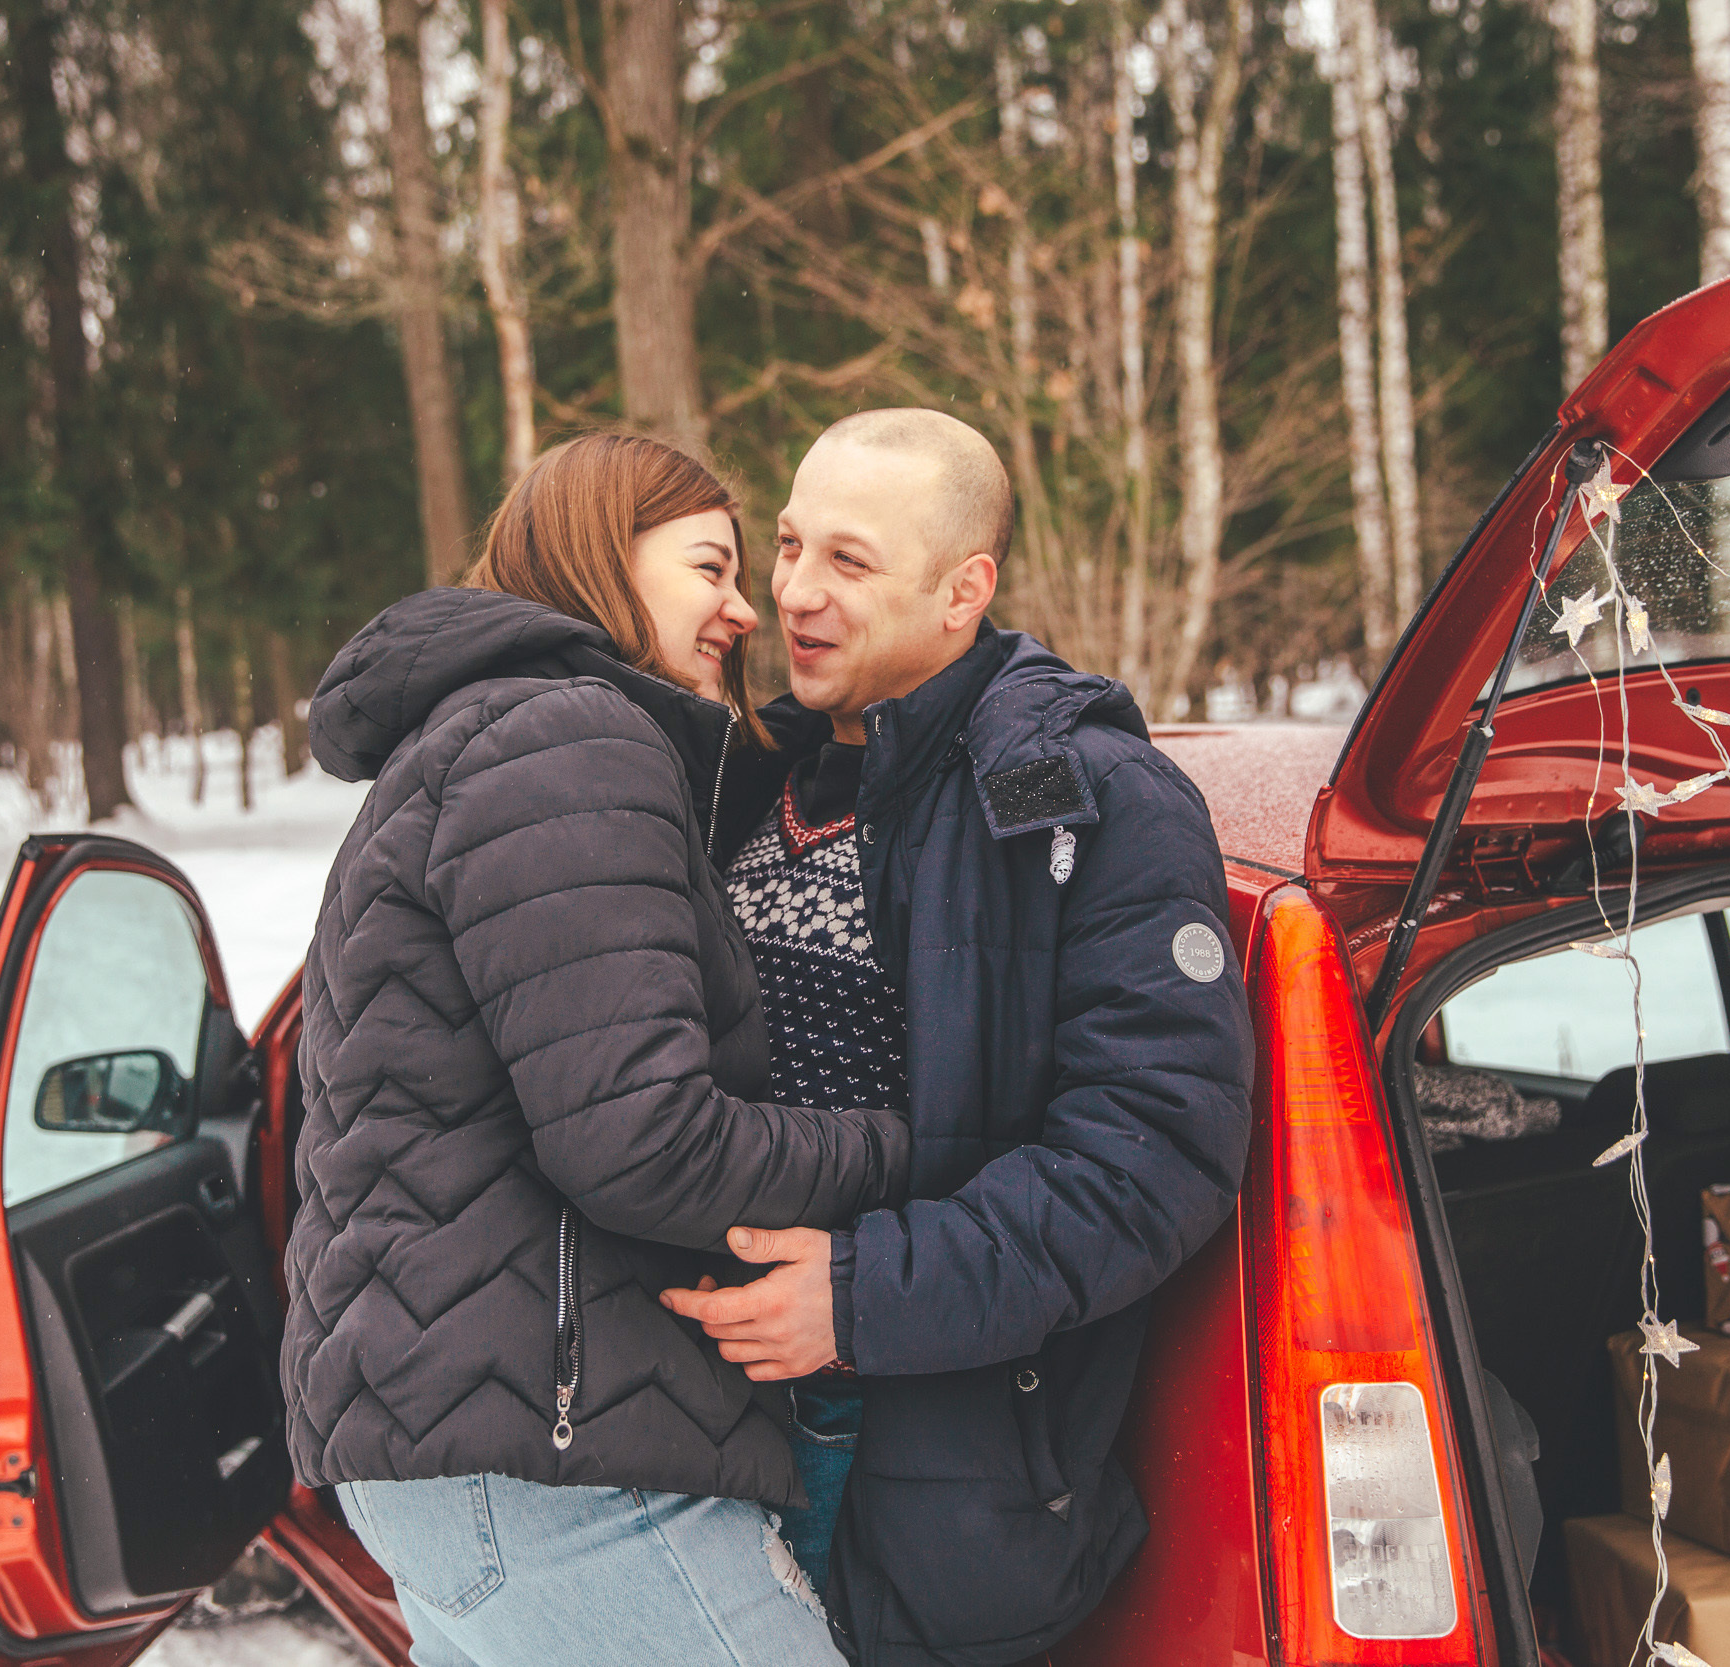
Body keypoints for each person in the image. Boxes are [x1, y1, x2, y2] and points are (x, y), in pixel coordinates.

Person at [280, 434, 912, 1667]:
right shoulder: (567, 738)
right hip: (557, 1464)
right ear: (599, 556)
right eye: (710, 566)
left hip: (471, 1449)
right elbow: (641, 1137)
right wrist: (914, 1148)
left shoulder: (478, 736)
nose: (745, 608)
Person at [661, 408, 1256, 1663]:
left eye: (851, 562)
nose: (794, 595)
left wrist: (860, 1298)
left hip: (921, 1472)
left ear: (962, 588)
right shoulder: (745, 772)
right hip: (693, 1429)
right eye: (785, 546)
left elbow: (1152, 1156)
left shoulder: (1090, 803)